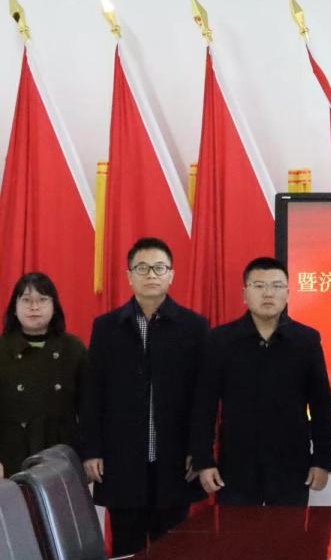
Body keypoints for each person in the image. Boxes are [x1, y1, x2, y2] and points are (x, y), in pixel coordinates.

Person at [80, 237, 209, 556]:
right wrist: (92, 450)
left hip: (175, 461)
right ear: (129, 276)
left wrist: (200, 450)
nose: (151, 274)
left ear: (171, 275)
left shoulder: (194, 327)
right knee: (128, 548)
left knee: (175, 548)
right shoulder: (107, 327)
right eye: (142, 268)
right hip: (122, 460)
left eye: (159, 268)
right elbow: (93, 393)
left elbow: (203, 398)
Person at [191, 257, 331, 505]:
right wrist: (204, 461)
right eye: (259, 286)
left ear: (288, 293)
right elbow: (205, 405)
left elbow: (321, 405)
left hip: (292, 467)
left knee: (289, 530)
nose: (268, 293)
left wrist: (322, 460)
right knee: (237, 530)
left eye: (277, 286)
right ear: (244, 294)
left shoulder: (306, 340)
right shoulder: (220, 340)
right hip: (236, 468)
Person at [0, 272, 88, 479]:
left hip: (61, 455)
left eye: (42, 300)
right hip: (11, 455)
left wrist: (88, 455)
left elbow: (89, 409)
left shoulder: (73, 349)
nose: (34, 307)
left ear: (54, 306)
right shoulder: (2, 349)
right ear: (14, 307)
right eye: (26, 300)